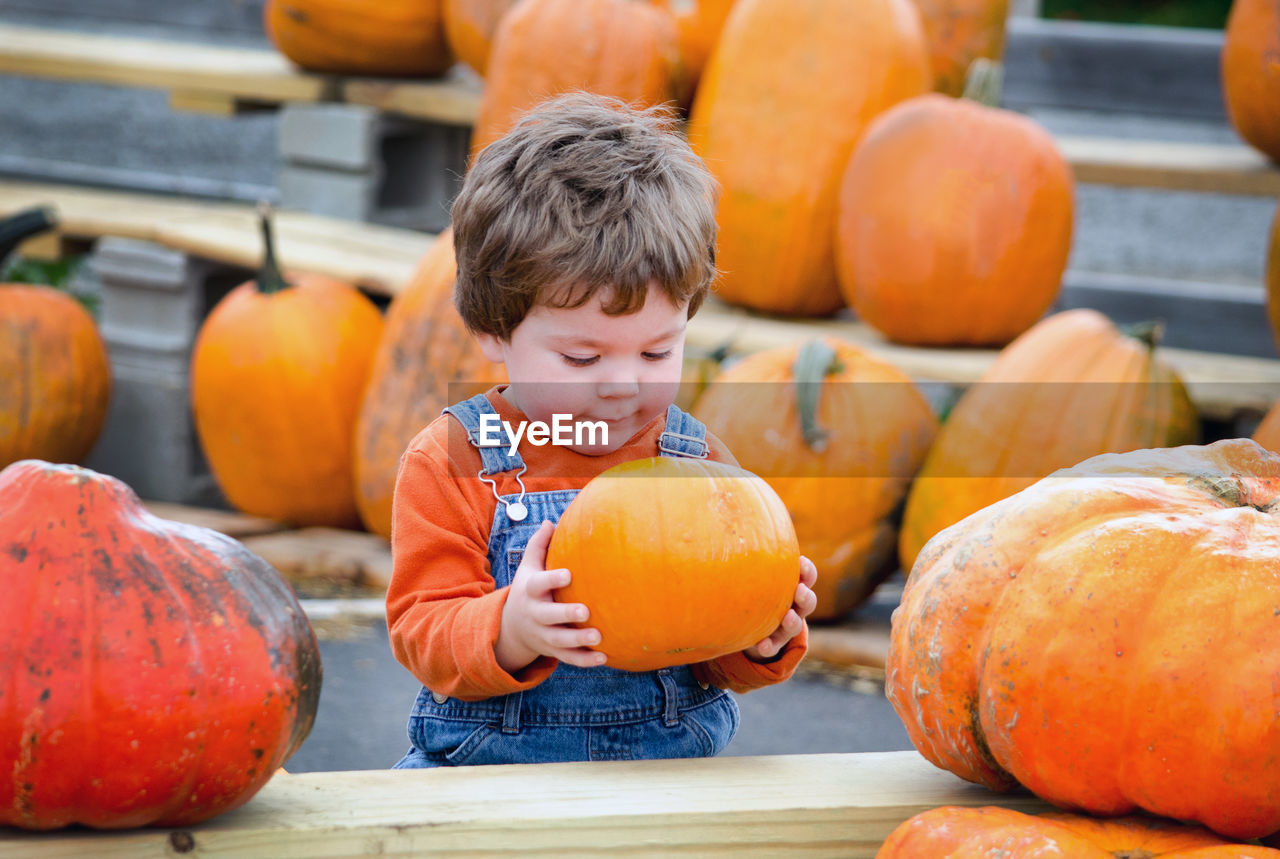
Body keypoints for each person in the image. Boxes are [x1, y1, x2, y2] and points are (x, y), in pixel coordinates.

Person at [386, 91, 818, 768]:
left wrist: (758, 637)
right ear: (494, 332)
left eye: (657, 351)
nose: (625, 381)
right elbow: (421, 628)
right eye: (583, 357)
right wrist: (510, 627)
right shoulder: (456, 458)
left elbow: (706, 657)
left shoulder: (696, 460)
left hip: (667, 783)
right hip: (491, 784)